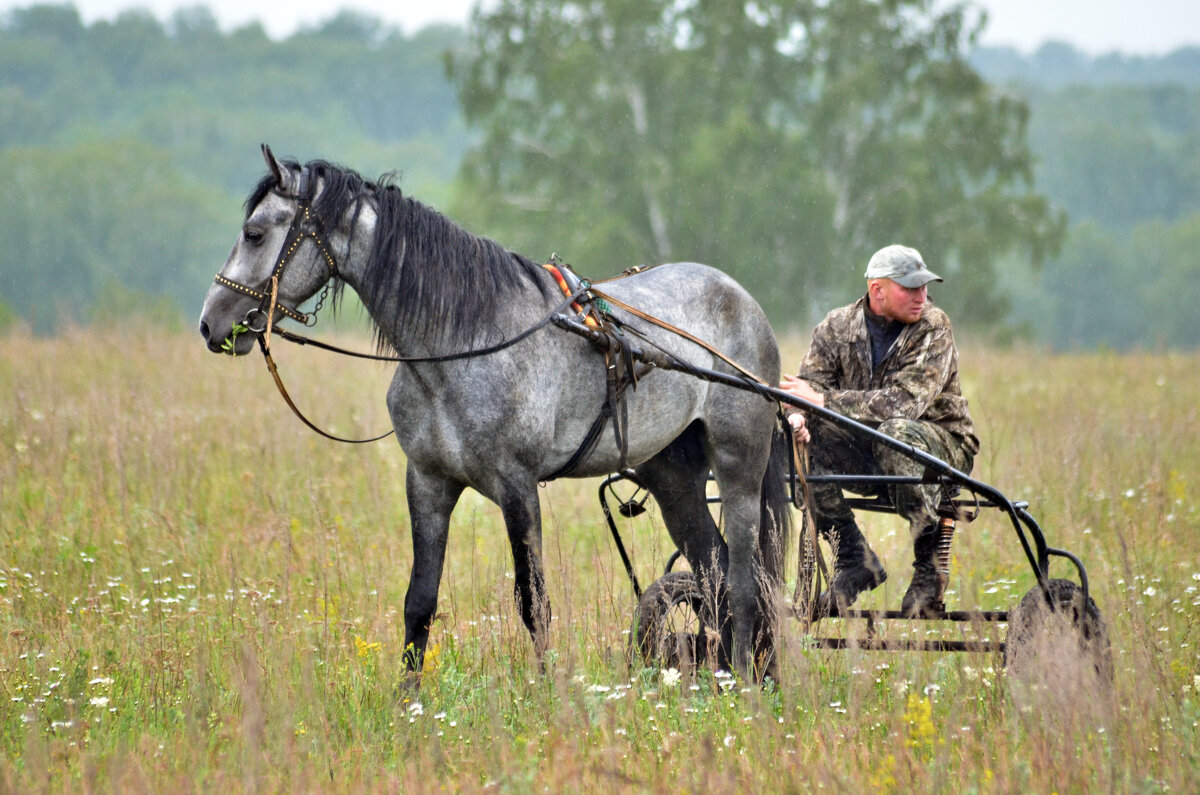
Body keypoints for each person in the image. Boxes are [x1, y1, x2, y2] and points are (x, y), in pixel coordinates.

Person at [779, 244, 979, 617]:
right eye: (911, 288)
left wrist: (822, 403)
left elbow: (904, 404)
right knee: (788, 446)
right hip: (875, 448)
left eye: (924, 287)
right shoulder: (836, 327)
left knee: (896, 432)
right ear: (878, 290)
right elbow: (803, 391)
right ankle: (854, 558)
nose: (922, 296)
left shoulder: (933, 326)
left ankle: (929, 567)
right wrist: (798, 419)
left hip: (941, 445)